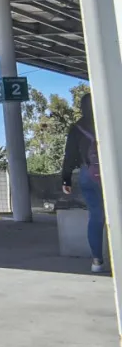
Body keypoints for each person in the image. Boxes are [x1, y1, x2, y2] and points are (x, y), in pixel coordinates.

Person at [62, 93, 105, 273]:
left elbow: (69, 155)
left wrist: (66, 178)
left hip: (88, 174)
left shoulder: (77, 128)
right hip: (110, 171)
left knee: (96, 217)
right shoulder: (108, 119)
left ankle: (97, 261)